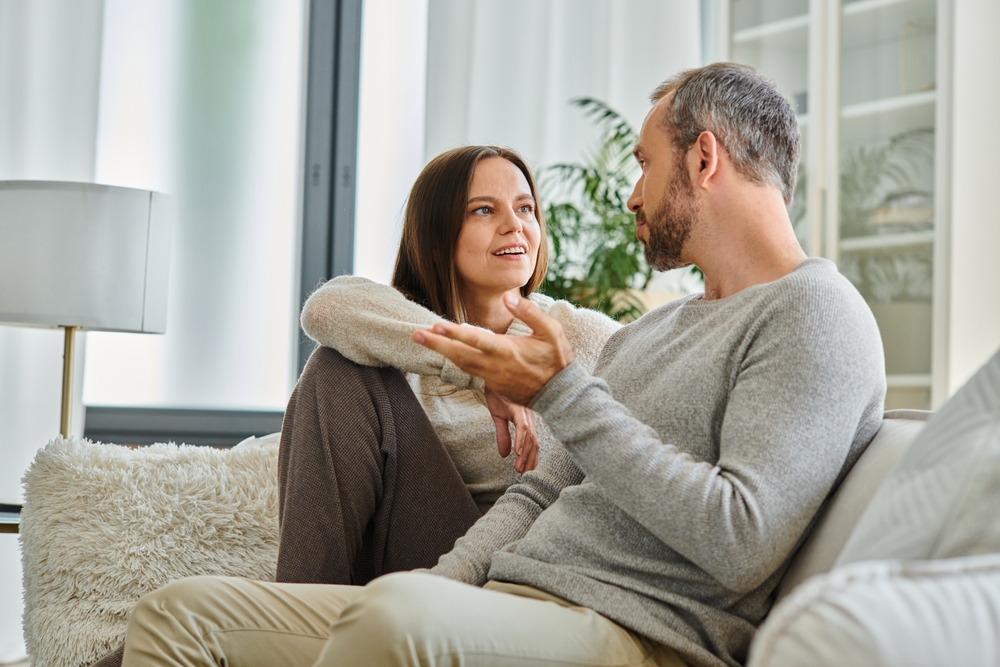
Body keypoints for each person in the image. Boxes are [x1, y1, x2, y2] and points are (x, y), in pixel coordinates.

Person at [118, 63, 885, 667]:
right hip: (514, 595)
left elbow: (740, 539)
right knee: (178, 614)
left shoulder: (814, 312)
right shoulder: (653, 332)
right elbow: (541, 492)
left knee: (393, 621)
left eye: (645, 163)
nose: (631, 194)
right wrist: (445, 583)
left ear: (705, 158)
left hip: (633, 630)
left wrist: (560, 392)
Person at [87, 146, 619, 667]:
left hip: (507, 569)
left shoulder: (581, 336)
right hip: (405, 554)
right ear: (436, 239)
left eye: (525, 208)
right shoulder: (401, 327)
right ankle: (293, 618)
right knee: (337, 368)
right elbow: (326, 307)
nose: (514, 225)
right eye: (484, 210)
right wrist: (481, 370)